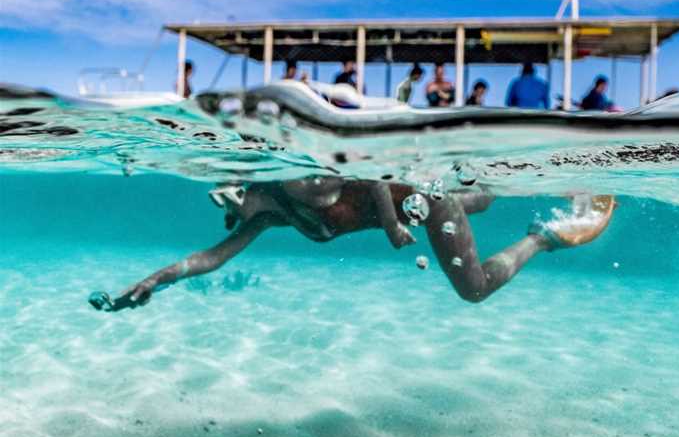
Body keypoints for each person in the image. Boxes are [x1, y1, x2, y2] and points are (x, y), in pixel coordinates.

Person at [88, 178, 615, 309]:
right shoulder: (269, 213)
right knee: (478, 198)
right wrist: (152, 282)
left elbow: (373, 174)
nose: (228, 197)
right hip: (423, 204)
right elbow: (210, 257)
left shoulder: (297, 183)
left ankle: (543, 237)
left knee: (472, 283)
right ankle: (525, 210)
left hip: (422, 203)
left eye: (229, 190)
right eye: (223, 200)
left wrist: (390, 225)